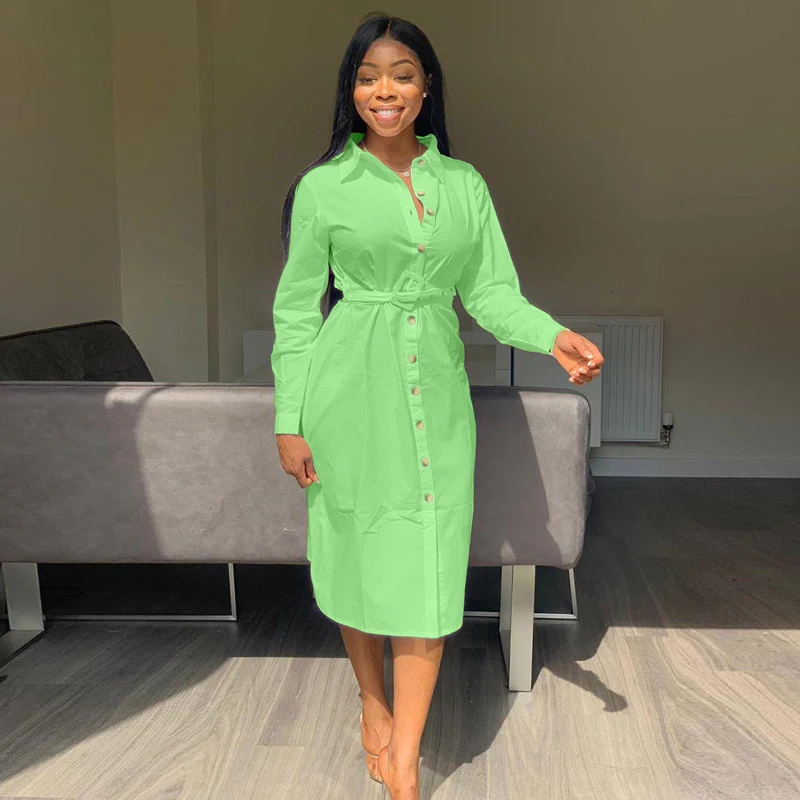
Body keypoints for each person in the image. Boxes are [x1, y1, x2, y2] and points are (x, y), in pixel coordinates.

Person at [271, 13, 604, 800]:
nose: (384, 90)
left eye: (401, 75)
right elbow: (295, 312)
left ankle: (405, 762)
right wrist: (290, 419)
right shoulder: (324, 188)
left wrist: (553, 335)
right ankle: (371, 700)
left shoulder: (464, 185)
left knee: (428, 564)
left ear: (426, 88)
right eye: (367, 77)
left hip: (437, 399)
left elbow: (489, 292)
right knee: (355, 548)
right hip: (345, 395)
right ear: (352, 91)